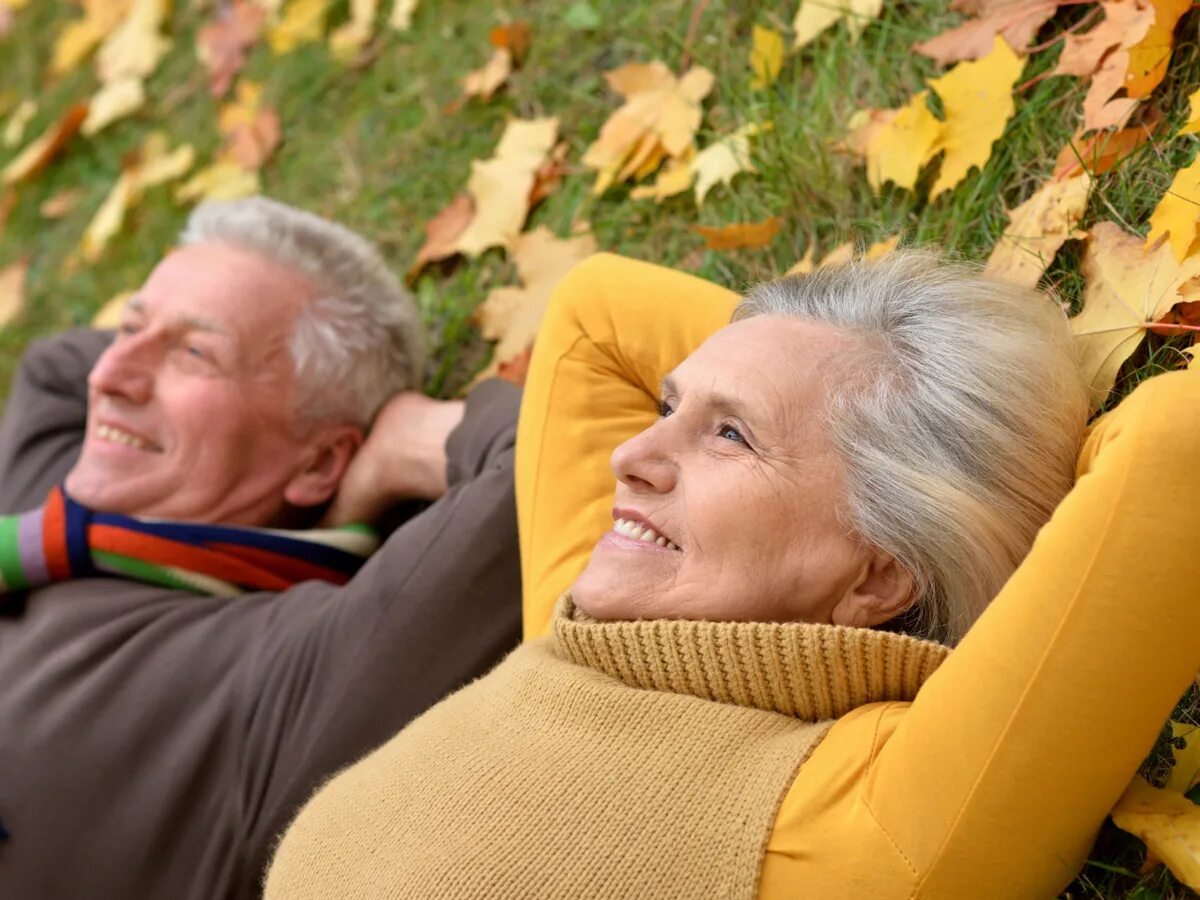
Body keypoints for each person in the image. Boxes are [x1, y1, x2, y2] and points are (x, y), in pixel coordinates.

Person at [265, 251, 1200, 899]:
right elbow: (594, 316)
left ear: (877, 577)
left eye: (729, 436)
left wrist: (982, 458)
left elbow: (1176, 449)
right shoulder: (590, 619)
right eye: (671, 406)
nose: (632, 453)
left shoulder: (868, 828)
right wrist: (831, 362)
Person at [0, 198, 522, 900]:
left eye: (195, 354)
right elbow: (58, 367)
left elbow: (539, 474)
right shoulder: (53, 475)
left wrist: (399, 441)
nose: (111, 377)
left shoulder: (286, 675)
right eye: (130, 326)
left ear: (317, 463)